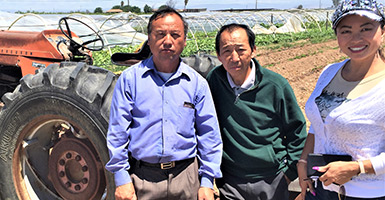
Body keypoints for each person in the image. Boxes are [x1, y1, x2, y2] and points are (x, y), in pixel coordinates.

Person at [105, 7, 223, 200]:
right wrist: (121, 178)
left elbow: (209, 134)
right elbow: (118, 132)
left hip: (186, 177)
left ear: (184, 41)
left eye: (175, 35)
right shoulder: (129, 80)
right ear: (149, 39)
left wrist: (207, 182)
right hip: (143, 178)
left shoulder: (196, 83)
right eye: (160, 34)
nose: (167, 40)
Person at [206, 23, 307, 200]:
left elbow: (297, 132)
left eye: (241, 50)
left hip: (272, 178)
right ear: (218, 55)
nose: (234, 57)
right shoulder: (214, 81)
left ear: (253, 50)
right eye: (227, 51)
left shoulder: (275, 85)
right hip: (230, 180)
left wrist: (288, 174)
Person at [297, 0, 385, 199]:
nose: (356, 38)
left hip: (368, 194)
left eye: (366, 29)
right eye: (346, 31)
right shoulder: (330, 72)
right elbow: (319, 121)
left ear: (383, 30)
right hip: (321, 188)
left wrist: (357, 168)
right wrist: (303, 162)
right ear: (337, 35)